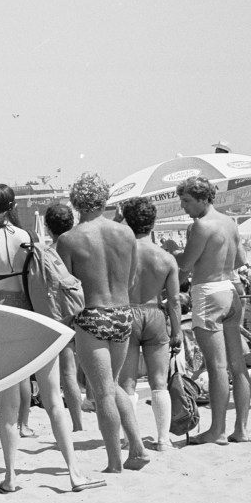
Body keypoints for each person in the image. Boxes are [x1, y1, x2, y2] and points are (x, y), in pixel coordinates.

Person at [0, 188, 101, 492]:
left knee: (9, 405)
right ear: (13, 206)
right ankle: (74, 474)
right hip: (37, 316)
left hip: (5, 321)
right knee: (54, 398)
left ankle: (10, 476)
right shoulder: (28, 237)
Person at [58, 175, 149, 471]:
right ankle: (136, 446)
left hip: (92, 315)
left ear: (75, 201)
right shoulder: (126, 234)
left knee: (103, 392)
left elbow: (66, 286)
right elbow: (133, 277)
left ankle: (114, 462)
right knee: (113, 385)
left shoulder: (69, 239)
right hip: (123, 313)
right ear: (104, 199)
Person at [174, 175, 250, 445]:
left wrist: (169, 254)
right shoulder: (229, 222)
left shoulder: (201, 226)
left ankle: (217, 429)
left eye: (187, 201)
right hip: (230, 290)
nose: (184, 207)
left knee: (217, 367)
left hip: (208, 292)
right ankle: (240, 428)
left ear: (203, 199)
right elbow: (241, 259)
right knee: (238, 365)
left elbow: (186, 265)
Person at [118, 197, 181, 449]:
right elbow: (174, 300)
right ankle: (163, 440)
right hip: (155, 312)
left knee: (128, 383)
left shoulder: (122, 254)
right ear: (153, 223)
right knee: (159, 382)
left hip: (127, 313)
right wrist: (177, 331)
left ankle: (127, 439)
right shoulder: (166, 258)